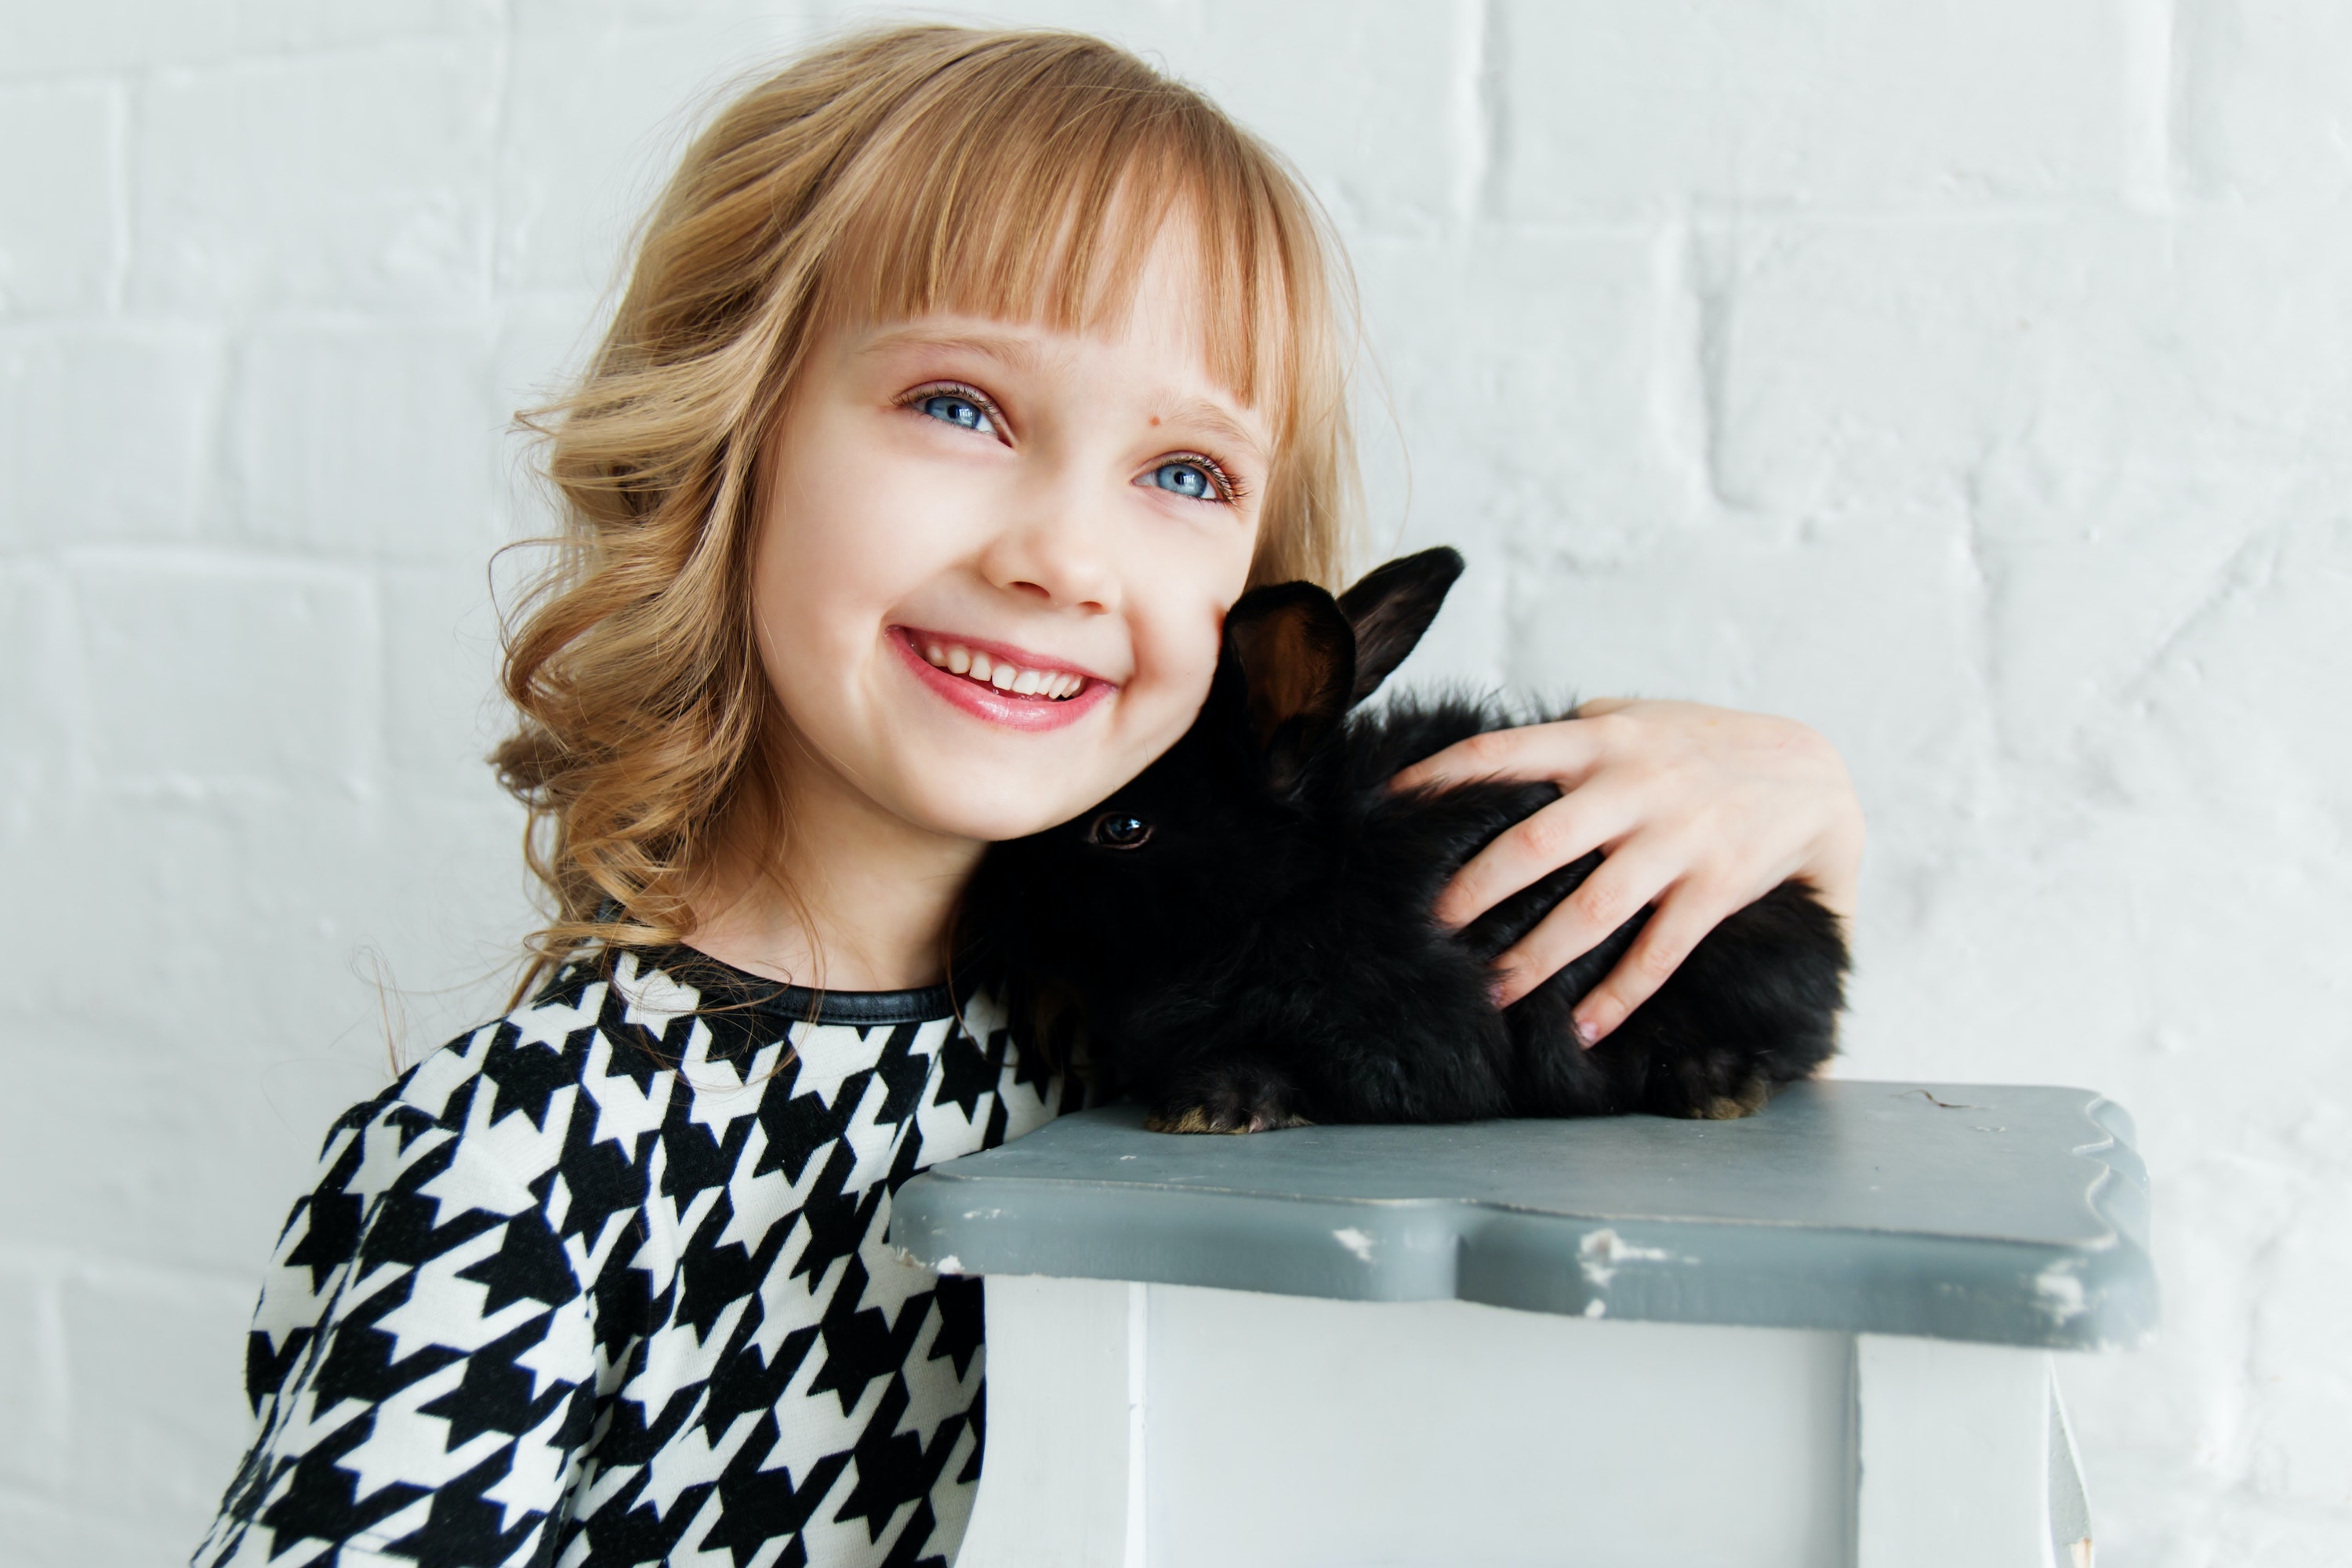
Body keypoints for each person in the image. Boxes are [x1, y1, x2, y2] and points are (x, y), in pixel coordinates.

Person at [194, 24, 1864, 1567]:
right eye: (958, 405)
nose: (1065, 554)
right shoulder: (540, 1153)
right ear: (730, 430)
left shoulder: (1148, 1025)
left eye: (1182, 473)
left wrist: (1807, 811)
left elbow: (1649, 1081)